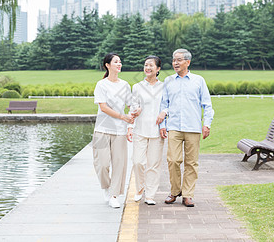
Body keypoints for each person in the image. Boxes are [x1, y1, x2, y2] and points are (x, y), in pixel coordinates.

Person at [159, 49, 214, 207]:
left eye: (179, 60)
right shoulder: (168, 81)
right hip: (174, 126)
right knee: (173, 160)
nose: (175, 63)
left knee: (191, 162)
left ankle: (188, 194)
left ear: (188, 62)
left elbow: (207, 105)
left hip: (193, 127)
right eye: (174, 60)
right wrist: (163, 124)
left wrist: (207, 124)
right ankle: (175, 191)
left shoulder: (198, 80)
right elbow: (164, 105)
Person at [92, 53, 137, 208]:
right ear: (107, 65)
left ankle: (114, 195)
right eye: (116, 62)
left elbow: (131, 105)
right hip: (102, 129)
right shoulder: (101, 85)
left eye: (120, 62)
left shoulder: (124, 85)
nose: (119, 64)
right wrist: (122, 116)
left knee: (119, 163)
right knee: (102, 164)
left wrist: (131, 122)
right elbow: (103, 107)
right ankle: (106, 187)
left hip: (119, 131)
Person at [127, 56, 166, 205]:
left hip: (157, 131)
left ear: (158, 69)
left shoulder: (164, 87)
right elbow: (133, 106)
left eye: (151, 65)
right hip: (140, 129)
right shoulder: (137, 87)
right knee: (137, 162)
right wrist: (130, 126)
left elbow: (167, 105)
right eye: (145, 65)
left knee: (153, 164)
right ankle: (139, 188)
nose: (147, 68)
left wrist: (165, 113)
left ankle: (150, 194)